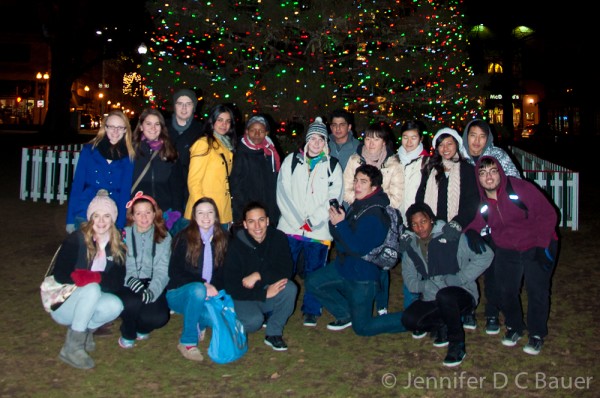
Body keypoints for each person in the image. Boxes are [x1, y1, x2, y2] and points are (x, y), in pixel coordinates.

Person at [465, 156, 559, 355]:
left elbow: (548, 214)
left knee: (537, 289)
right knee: (505, 290)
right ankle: (515, 326)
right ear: (478, 178)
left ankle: (536, 334)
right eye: (483, 173)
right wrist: (471, 231)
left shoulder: (519, 189)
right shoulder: (484, 202)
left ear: (500, 171)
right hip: (507, 247)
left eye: (492, 171)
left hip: (537, 243)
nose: (488, 177)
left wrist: (543, 246)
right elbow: (476, 221)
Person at [305, 164, 407, 336]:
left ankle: (414, 318)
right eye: (356, 181)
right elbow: (340, 237)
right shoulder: (358, 204)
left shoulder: (375, 214)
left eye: (363, 182)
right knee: (313, 282)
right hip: (344, 267)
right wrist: (335, 221)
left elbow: (358, 247)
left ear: (374, 187)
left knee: (362, 328)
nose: (357, 185)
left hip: (363, 277)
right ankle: (345, 313)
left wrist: (341, 224)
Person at [400, 202, 493, 367]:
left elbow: (486, 255)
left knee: (446, 296)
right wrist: (424, 286)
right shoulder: (411, 246)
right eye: (414, 224)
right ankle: (442, 325)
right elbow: (410, 280)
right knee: (409, 319)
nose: (420, 227)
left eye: (423, 221)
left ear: (432, 220)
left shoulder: (451, 237)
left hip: (462, 293)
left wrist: (459, 278)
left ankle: (457, 345)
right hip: (433, 297)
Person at [276, 116, 343, 327]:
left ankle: (312, 309)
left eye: (320, 139)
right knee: (285, 269)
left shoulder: (333, 165)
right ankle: (278, 307)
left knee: (315, 272)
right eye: (312, 138)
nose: (316, 143)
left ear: (325, 142)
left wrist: (312, 221)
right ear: (306, 140)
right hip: (290, 227)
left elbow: (334, 197)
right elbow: (282, 192)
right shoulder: (292, 161)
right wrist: (297, 220)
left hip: (318, 230)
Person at [51, 190, 126, 369]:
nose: (101, 221)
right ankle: (72, 348)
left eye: (106, 216)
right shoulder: (76, 239)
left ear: (113, 219)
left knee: (116, 305)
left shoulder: (118, 248)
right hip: (64, 304)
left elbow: (116, 283)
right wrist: (80, 277)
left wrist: (95, 276)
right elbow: (59, 274)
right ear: (90, 217)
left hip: (90, 302)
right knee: (92, 288)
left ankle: (83, 333)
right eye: (96, 215)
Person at [461, 119, 522, 333]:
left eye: (482, 136)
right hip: (466, 223)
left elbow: (514, 183)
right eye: (472, 135)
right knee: (465, 267)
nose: (476, 141)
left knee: (494, 269)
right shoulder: (459, 157)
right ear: (466, 136)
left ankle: (492, 312)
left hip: (495, 223)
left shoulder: (498, 157)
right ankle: (466, 308)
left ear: (488, 139)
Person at [342, 122, 404, 316]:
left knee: (381, 260)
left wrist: (374, 205)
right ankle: (359, 299)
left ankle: (382, 303)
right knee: (358, 256)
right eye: (368, 138)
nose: (371, 143)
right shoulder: (355, 160)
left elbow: (396, 196)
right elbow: (348, 190)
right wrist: (362, 204)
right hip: (358, 216)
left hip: (382, 218)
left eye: (376, 139)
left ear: (384, 142)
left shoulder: (394, 164)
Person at [223, 201, 298, 351]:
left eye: (261, 220)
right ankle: (228, 318)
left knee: (289, 288)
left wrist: (259, 275)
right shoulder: (235, 245)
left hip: (265, 289)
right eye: (251, 221)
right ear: (245, 224)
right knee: (253, 322)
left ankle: (273, 333)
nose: (257, 226)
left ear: (268, 221)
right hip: (243, 295)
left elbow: (286, 270)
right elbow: (231, 286)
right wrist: (263, 294)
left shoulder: (278, 237)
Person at [166, 197, 228, 361]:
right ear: (194, 216)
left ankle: (198, 322)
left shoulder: (222, 239)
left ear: (216, 216)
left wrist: (214, 289)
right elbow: (174, 272)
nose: (206, 217)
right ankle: (187, 342)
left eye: (210, 212)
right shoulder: (183, 237)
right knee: (198, 290)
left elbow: (223, 274)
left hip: (207, 294)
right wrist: (203, 284)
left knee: (219, 318)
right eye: (201, 213)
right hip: (180, 293)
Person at [117, 192, 171, 349]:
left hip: (151, 281)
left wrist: (153, 290)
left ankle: (142, 327)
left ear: (155, 213)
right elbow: (120, 264)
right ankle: (128, 333)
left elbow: (163, 269)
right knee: (132, 303)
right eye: (138, 213)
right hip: (129, 282)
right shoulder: (123, 235)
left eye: (148, 212)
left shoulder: (164, 236)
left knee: (159, 317)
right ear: (132, 216)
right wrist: (130, 279)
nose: (144, 217)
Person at [66, 110, 135, 231]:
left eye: (120, 127)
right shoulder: (89, 151)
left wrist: (120, 225)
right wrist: (70, 220)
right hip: (86, 208)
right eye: (111, 127)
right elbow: (77, 185)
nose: (115, 131)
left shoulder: (129, 157)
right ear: (105, 128)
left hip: (113, 211)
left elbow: (125, 192)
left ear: (125, 130)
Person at [185, 104, 236, 229]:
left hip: (222, 211)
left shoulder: (226, 145)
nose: (224, 124)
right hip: (204, 215)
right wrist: (202, 211)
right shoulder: (203, 144)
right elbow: (193, 182)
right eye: (220, 120)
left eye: (227, 121)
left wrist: (228, 215)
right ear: (212, 122)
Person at [230, 115, 281, 225]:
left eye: (261, 131)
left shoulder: (270, 150)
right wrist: (242, 212)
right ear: (247, 132)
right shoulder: (240, 152)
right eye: (253, 130)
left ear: (266, 132)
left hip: (269, 208)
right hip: (250, 211)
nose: (257, 134)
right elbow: (236, 185)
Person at [132, 108, 184, 215]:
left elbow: (176, 187)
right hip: (138, 212)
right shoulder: (131, 151)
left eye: (157, 124)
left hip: (163, 212)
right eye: (148, 124)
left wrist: (176, 212)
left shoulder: (170, 151)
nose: (153, 128)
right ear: (141, 126)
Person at [166, 88, 204, 207]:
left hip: (191, 193)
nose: (184, 108)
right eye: (180, 104)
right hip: (165, 191)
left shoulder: (201, 130)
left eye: (188, 104)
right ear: (174, 106)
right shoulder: (162, 128)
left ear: (194, 107)